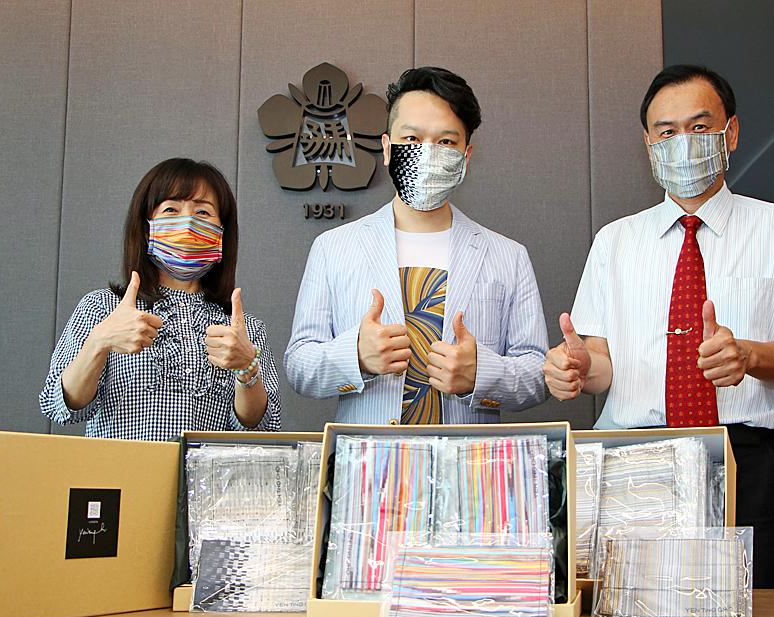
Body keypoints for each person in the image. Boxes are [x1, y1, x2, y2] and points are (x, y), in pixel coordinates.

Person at [543, 65, 774, 588]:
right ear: (648, 144)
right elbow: (601, 366)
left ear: (731, 132)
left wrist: (748, 355)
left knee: (764, 611)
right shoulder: (615, 241)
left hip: (745, 460)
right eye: (666, 132)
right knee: (635, 613)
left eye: (699, 127)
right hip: (634, 464)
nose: (683, 142)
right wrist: (579, 367)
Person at [285, 67, 548, 425]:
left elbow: (538, 374)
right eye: (411, 138)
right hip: (368, 458)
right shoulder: (333, 248)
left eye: (446, 142)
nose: (426, 153)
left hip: (467, 459)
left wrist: (481, 374)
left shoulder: (508, 256)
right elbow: (299, 365)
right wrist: (355, 356)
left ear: (466, 156)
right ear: (387, 148)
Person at [40, 158, 281, 439]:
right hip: (118, 467)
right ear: (146, 228)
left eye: (203, 212)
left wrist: (247, 366)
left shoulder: (245, 329)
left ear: (221, 234)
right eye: (171, 209)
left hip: (203, 470)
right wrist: (99, 342)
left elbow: (260, 427)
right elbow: (59, 406)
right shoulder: (102, 307)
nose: (187, 223)